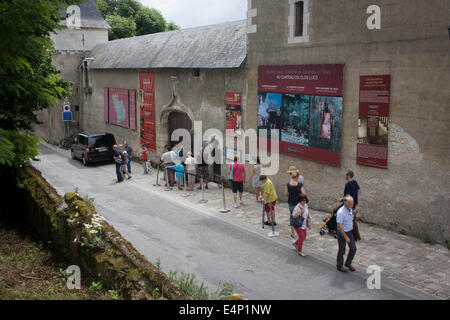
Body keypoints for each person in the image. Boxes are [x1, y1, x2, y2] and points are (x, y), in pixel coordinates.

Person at [336, 195, 361, 272]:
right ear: (345, 203)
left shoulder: (350, 209)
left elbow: (351, 217)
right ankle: (339, 266)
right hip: (342, 233)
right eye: (350, 204)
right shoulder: (340, 212)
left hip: (350, 231)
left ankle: (348, 263)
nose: (352, 205)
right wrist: (345, 237)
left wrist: (356, 216)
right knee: (342, 250)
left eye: (352, 203)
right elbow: (339, 226)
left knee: (353, 248)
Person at [285, 171, 306, 238]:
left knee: (292, 216)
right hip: (298, 203)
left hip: (291, 202)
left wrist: (290, 193)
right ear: (297, 177)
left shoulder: (288, 184)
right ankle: (300, 231)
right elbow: (304, 193)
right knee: (300, 215)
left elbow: (285, 194)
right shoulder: (299, 184)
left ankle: (292, 232)